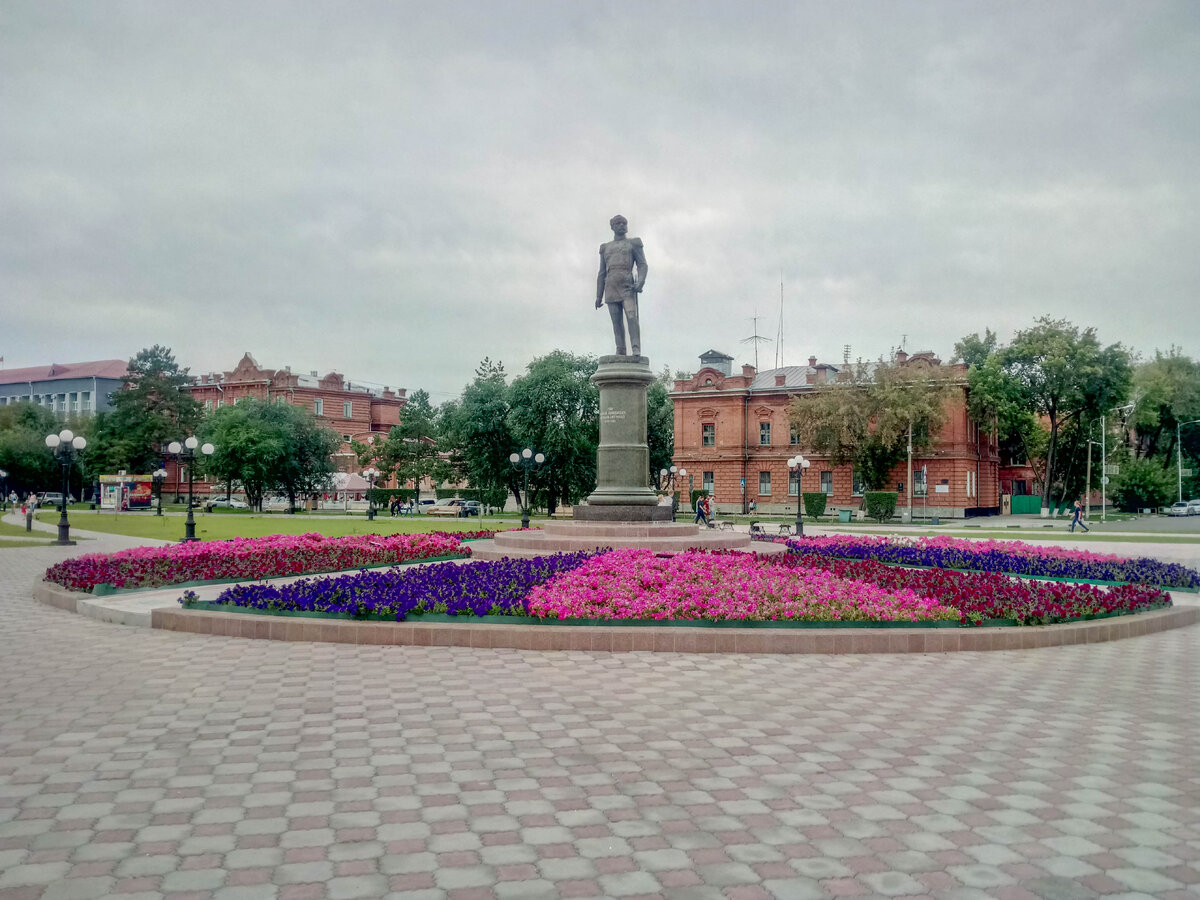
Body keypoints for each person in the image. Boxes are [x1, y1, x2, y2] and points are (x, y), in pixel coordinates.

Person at [595, 214, 648, 356]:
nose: (622, 225)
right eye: (618, 223)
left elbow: (642, 264)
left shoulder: (633, 243)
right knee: (616, 321)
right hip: (611, 285)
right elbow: (601, 272)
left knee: (631, 316)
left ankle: (635, 347)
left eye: (624, 223)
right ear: (612, 227)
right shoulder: (605, 247)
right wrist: (598, 296)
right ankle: (620, 348)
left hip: (627, 285)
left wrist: (640, 282)